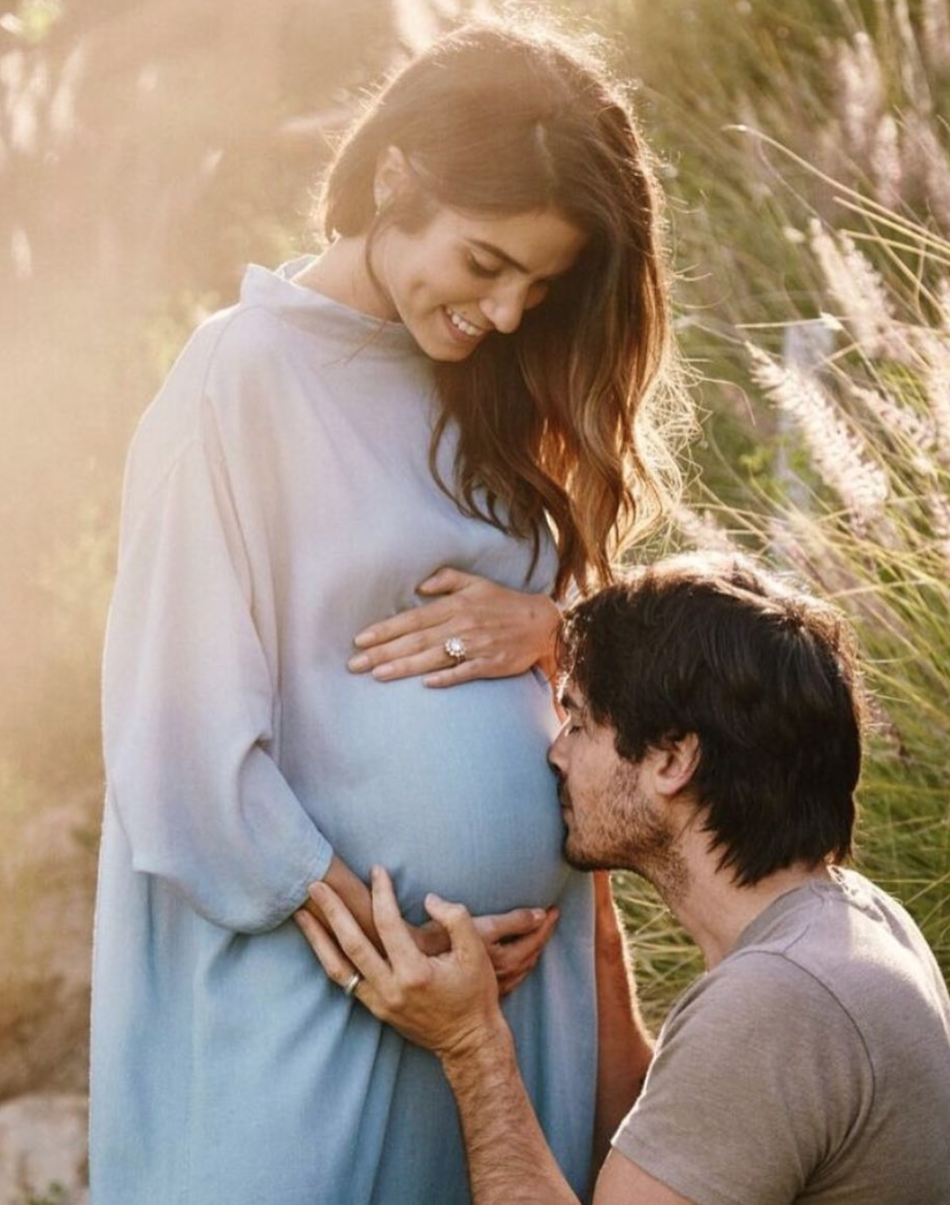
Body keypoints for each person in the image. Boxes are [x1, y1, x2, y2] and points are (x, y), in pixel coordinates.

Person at [90, 17, 686, 1205]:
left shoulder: (505, 384)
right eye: (484, 263)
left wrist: (559, 629)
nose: (511, 311)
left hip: (518, 995)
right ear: (395, 177)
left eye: (542, 282)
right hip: (319, 986)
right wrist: (388, 951)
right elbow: (180, 731)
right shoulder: (238, 378)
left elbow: (620, 651)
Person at [300, 552, 950, 1205]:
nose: (556, 752)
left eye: (579, 723)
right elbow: (666, 1150)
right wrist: (599, 925)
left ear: (671, 758)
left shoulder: (777, 1003)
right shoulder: (857, 924)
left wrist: (473, 1045)